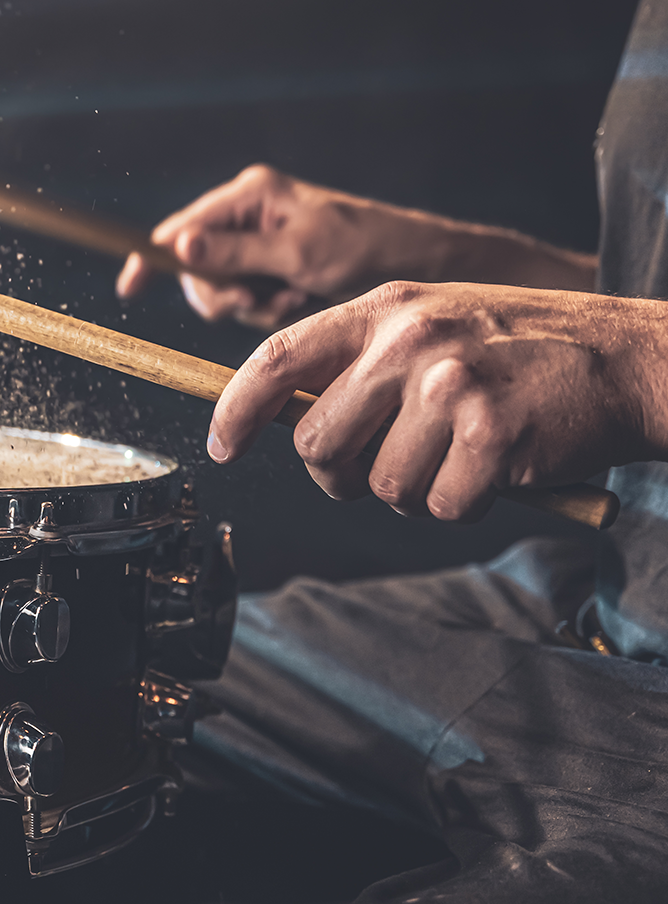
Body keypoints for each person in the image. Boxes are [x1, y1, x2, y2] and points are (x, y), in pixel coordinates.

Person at [115, 2, 668, 900]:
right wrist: (426, 259)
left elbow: (635, 349)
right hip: (606, 600)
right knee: (92, 684)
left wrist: (636, 367)